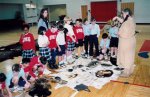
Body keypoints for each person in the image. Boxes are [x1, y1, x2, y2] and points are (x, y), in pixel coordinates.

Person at [113, 8, 136, 77]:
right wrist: (117, 18)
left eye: (122, 14)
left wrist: (118, 33)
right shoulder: (130, 20)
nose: (122, 15)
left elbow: (124, 33)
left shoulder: (126, 23)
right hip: (131, 41)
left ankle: (126, 73)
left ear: (126, 13)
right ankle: (130, 70)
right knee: (130, 57)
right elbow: (123, 21)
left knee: (126, 57)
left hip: (126, 42)